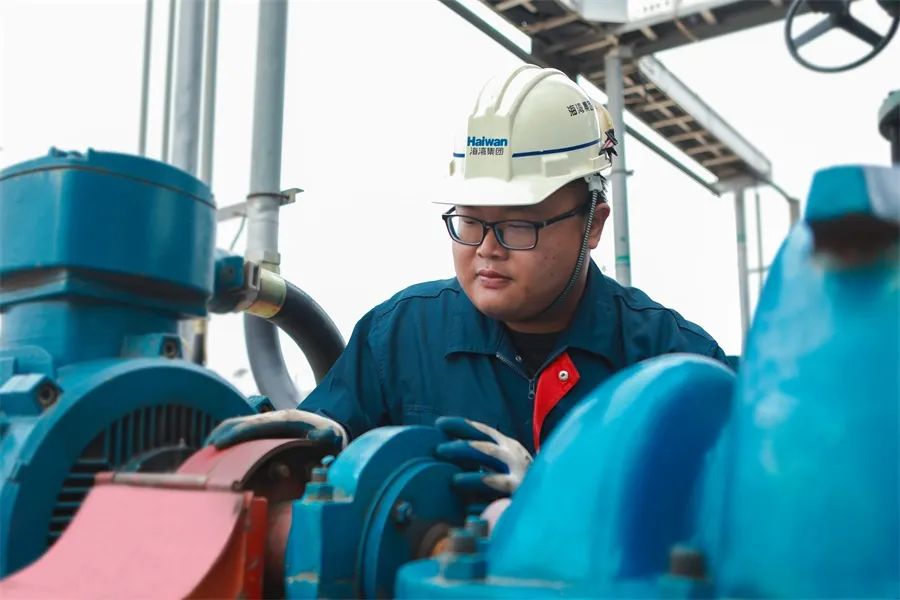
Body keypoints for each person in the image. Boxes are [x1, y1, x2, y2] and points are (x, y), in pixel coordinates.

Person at [207, 65, 730, 497]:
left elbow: (735, 519)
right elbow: (322, 448)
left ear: (593, 225)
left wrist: (550, 498)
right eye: (470, 220)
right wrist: (305, 449)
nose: (486, 248)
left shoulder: (670, 362)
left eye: (517, 225)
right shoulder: (401, 337)